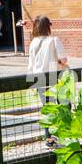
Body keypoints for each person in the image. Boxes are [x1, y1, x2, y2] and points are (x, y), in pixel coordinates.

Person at [26, 15, 67, 147]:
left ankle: (48, 138)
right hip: (56, 79)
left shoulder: (33, 43)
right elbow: (63, 59)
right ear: (48, 27)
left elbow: (31, 64)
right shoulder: (54, 40)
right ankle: (62, 135)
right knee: (63, 106)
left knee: (47, 108)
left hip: (39, 79)